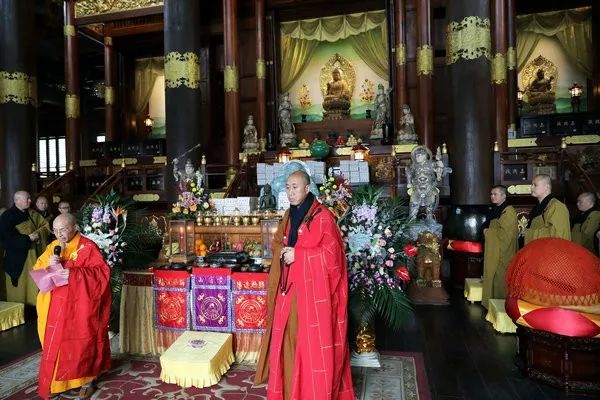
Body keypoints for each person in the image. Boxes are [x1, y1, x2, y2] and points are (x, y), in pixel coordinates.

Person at [255, 170, 354, 400]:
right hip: (289, 290)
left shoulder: (323, 217)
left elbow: (333, 258)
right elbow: (278, 242)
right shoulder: (289, 215)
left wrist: (300, 255)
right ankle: (291, 391)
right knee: (288, 343)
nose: (290, 192)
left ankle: (310, 392)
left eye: (295, 187)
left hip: (311, 294)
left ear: (307, 189)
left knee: (308, 347)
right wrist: (284, 252)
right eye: (288, 187)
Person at [33, 213, 111, 399]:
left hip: (78, 305)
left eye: (63, 229)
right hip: (54, 305)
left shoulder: (87, 247)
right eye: (56, 230)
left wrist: (73, 273)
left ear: (75, 227)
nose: (59, 234)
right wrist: (49, 266)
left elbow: (101, 274)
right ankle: (58, 381)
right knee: (54, 342)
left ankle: (87, 380)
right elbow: (38, 268)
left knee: (81, 342)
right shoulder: (53, 247)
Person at [0, 191, 50, 305]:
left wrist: (38, 234)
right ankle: (19, 307)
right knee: (21, 283)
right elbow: (5, 237)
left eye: (29, 198)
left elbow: (45, 226)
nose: (30, 201)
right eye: (27, 199)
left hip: (34, 253)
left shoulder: (32, 213)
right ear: (17, 201)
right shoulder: (7, 216)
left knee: (33, 281)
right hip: (17, 256)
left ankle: (34, 305)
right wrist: (27, 239)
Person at [482, 185, 518, 309]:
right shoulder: (495, 210)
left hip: (503, 252)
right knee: (493, 275)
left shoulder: (508, 211)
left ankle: (502, 307)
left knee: (500, 277)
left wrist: (488, 233)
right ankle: (492, 305)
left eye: (495, 194)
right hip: (494, 251)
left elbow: (505, 236)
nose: (492, 196)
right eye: (491, 194)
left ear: (503, 195)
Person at [524, 174, 570, 245]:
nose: (531, 187)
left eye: (535, 185)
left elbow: (559, 235)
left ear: (547, 187)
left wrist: (529, 233)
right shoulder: (537, 207)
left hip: (550, 253)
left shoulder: (557, 206)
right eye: (531, 185)